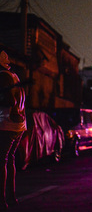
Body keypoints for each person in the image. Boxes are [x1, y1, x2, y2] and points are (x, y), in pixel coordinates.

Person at [0, 51, 26, 210]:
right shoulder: (14, 76)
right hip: (19, 125)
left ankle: (2, 201)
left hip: (6, 124)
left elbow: (8, 101)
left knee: (1, 160)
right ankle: (11, 196)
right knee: (10, 159)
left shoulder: (2, 76)